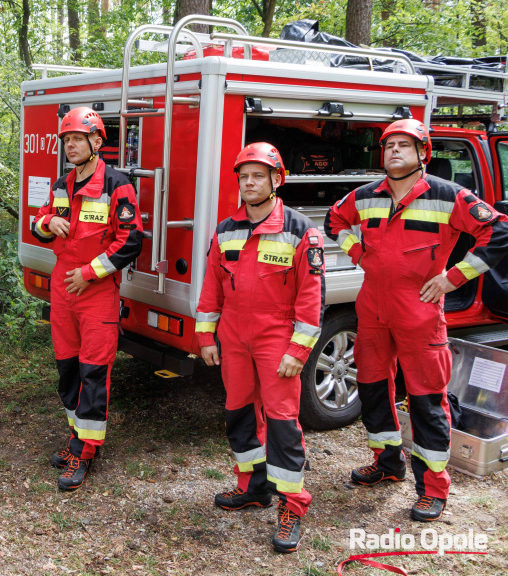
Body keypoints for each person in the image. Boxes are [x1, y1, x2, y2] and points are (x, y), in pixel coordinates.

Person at [325, 118, 508, 522]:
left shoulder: (448, 195)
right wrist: (359, 255)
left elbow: (498, 231)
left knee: (427, 400)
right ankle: (387, 463)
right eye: (389, 146)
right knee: (372, 389)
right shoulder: (366, 194)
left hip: (420, 310)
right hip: (372, 306)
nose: (394, 152)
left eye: (404, 146)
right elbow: (333, 221)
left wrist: (454, 276)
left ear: (422, 153)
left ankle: (433, 489)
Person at [195, 142, 324, 553]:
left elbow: (311, 297)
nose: (249, 183)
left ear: (275, 180)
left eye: (258, 176)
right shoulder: (226, 229)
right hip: (233, 339)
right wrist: (204, 336)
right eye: (243, 176)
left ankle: (292, 506)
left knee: (283, 423)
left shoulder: (301, 229)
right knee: (238, 414)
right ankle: (253, 487)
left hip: (277, 341)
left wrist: (297, 351)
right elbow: (211, 287)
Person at [30, 107, 143, 490]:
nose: (71, 145)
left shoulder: (117, 184)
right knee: (67, 370)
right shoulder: (62, 184)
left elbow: (130, 239)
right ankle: (78, 436)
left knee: (94, 372)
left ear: (97, 141)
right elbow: (38, 222)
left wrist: (90, 272)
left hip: (95, 292)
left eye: (78, 138)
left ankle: (86, 449)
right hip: (63, 288)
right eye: (66, 139)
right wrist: (48, 223)